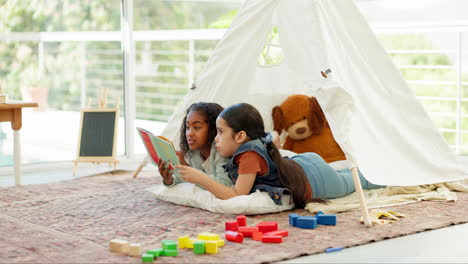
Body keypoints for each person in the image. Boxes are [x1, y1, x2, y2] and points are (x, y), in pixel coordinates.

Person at [175, 103, 384, 208]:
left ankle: (390, 173)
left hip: (314, 179)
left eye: (220, 132)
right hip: (302, 166)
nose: (216, 139)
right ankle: (372, 165)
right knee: (348, 172)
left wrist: (199, 178)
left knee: (360, 181)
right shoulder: (244, 150)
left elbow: (237, 195)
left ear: (240, 136)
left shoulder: (248, 155)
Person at [158, 102, 232, 187]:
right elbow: (182, 181)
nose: (189, 133)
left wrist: (191, 172)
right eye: (187, 127)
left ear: (214, 129)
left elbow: (225, 184)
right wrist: (169, 179)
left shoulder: (222, 151)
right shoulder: (194, 153)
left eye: (197, 127)